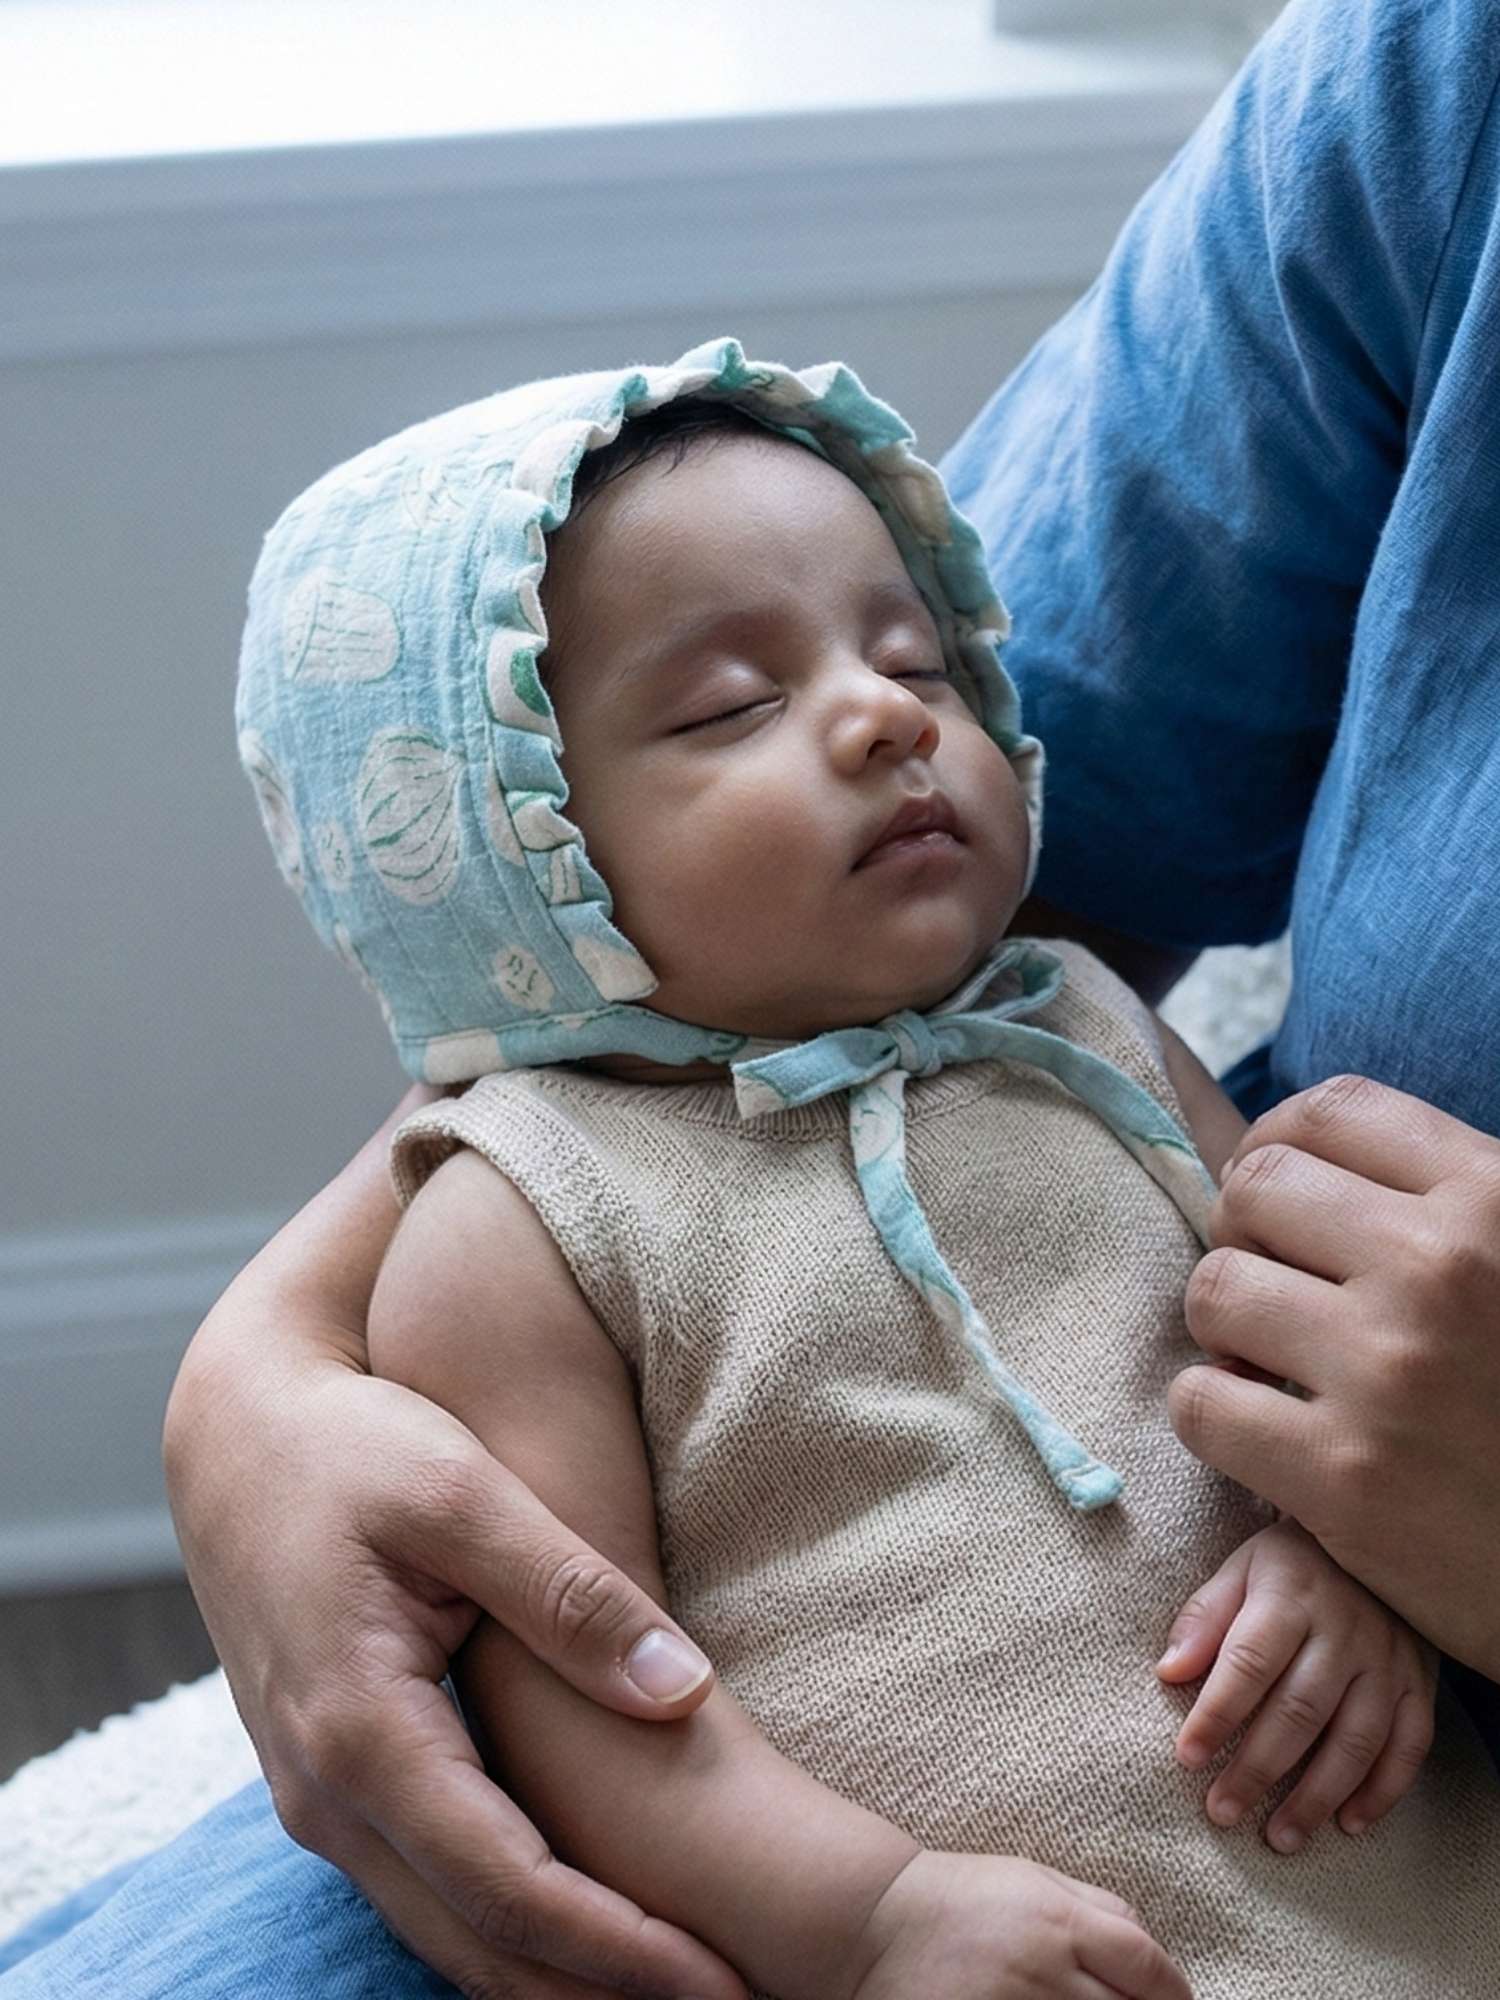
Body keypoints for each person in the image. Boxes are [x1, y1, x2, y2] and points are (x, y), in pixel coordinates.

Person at [4, 0, 1499, 1995]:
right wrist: (867, 1917)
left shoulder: (1088, 1038)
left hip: (1343, 1835)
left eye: (919, 655)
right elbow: (579, 1683)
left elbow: (1309, 1377)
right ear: (519, 858)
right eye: (730, 703)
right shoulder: (526, 1227)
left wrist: (1356, 1565)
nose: (896, 709)